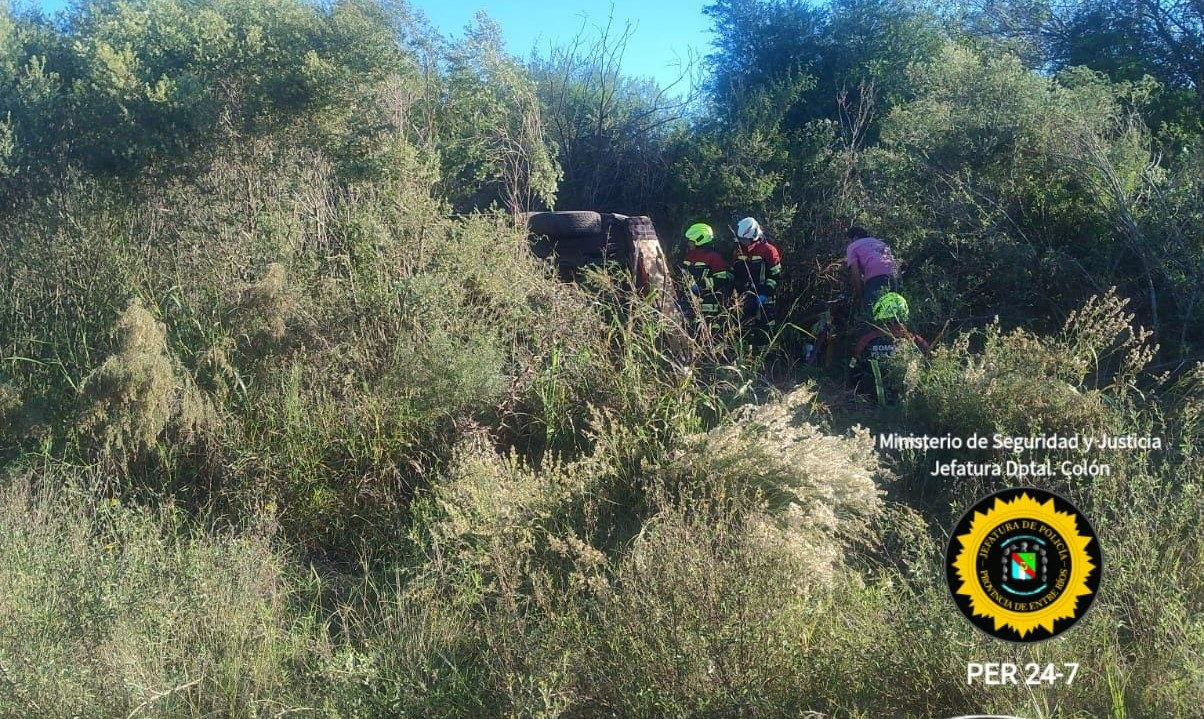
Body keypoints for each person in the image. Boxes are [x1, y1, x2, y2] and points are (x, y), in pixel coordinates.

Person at [849, 292, 930, 405]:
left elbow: (853, 368)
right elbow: (929, 364)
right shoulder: (916, 341)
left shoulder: (867, 340)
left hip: (872, 402)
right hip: (908, 404)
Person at [732, 217, 782, 344]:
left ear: (754, 236)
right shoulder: (739, 251)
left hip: (765, 299)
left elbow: (776, 275)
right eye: (741, 239)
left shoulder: (768, 250)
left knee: (764, 334)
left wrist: (765, 292)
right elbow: (736, 273)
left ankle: (766, 355)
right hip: (745, 298)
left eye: (745, 240)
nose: (743, 242)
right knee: (744, 332)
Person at [680, 222, 733, 325]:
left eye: (691, 241)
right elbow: (683, 274)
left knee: (712, 330)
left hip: (711, 306)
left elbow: (723, 278)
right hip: (691, 304)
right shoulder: (689, 256)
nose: (688, 243)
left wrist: (701, 285)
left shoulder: (714, 257)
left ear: (699, 239)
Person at [845, 226, 899, 319]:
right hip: (893, 275)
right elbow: (893, 262)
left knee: (871, 313)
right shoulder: (880, 243)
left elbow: (855, 272)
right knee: (894, 311)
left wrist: (860, 295)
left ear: (854, 238)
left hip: (874, 278)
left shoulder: (853, 246)